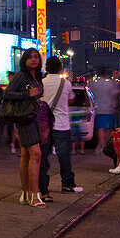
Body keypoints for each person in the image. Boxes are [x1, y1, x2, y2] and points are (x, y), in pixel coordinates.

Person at [4, 48, 48, 207]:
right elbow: (7, 93)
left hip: (34, 118)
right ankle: (35, 196)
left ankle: (26, 193)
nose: (34, 60)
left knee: (26, 155)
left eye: (36, 57)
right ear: (24, 60)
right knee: (35, 154)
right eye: (30, 57)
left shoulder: (37, 77)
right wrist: (26, 94)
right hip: (25, 119)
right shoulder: (22, 76)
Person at [40, 56, 82, 198]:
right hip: (61, 124)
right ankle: (67, 184)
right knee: (64, 156)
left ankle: (42, 186)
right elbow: (70, 99)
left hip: (45, 125)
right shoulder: (67, 84)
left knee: (43, 157)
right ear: (60, 68)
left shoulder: (41, 83)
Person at [89, 69, 119, 156]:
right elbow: (115, 95)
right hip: (109, 108)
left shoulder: (94, 83)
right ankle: (105, 145)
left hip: (98, 108)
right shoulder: (110, 83)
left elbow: (91, 94)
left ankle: (101, 145)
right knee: (109, 128)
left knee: (100, 128)